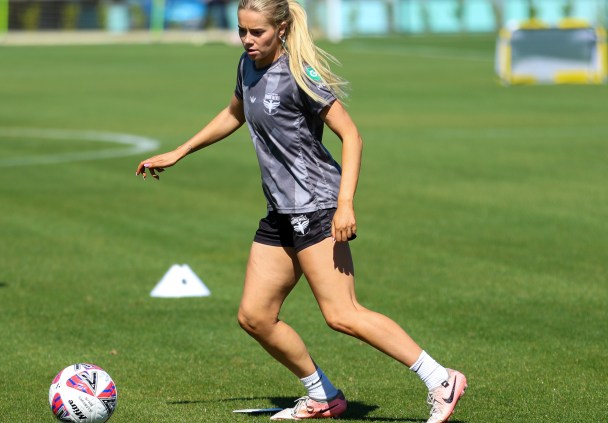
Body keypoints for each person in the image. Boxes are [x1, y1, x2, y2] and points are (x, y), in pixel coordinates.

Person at [135, 0, 467, 421]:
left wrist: (345, 205)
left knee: (342, 314)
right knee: (255, 316)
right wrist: (179, 151)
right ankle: (322, 395)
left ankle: (441, 378)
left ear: (281, 28)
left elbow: (352, 136)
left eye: (257, 32)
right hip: (280, 211)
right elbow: (235, 112)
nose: (248, 40)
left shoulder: (299, 74)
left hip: (317, 207)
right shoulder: (246, 65)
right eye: (242, 31)